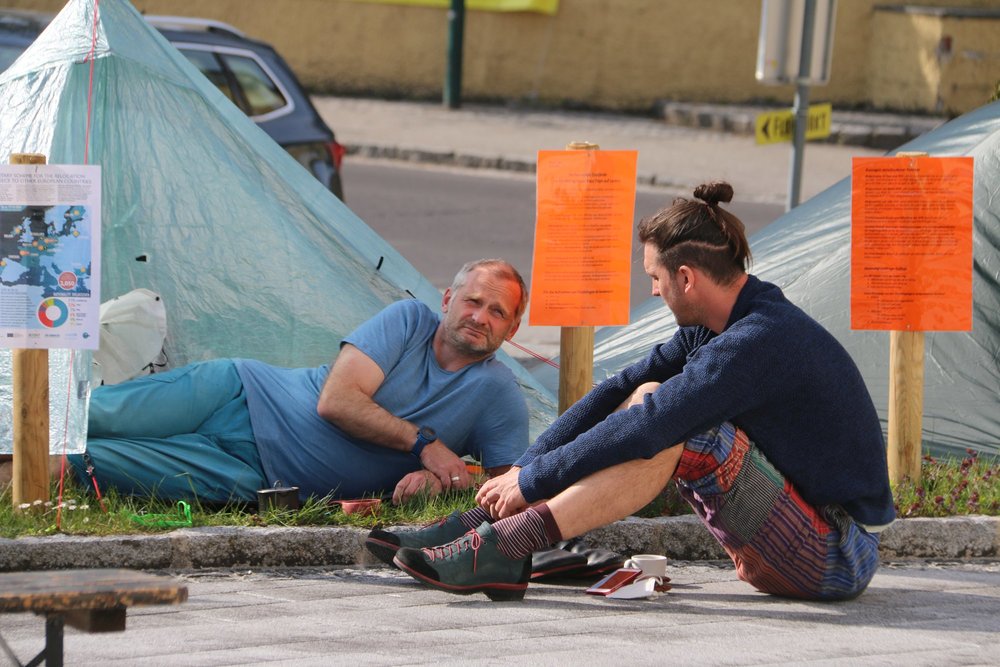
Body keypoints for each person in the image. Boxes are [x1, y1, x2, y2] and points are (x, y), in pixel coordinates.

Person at [371, 182, 895, 602]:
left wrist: (534, 481)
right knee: (646, 392)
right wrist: (522, 475)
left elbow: (652, 427)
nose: (652, 289)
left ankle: (508, 547)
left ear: (686, 278)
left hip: (837, 552)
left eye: (654, 277)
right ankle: (483, 528)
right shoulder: (718, 325)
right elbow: (619, 390)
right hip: (800, 533)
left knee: (685, 432)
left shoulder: (757, 340)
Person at [31, 259, 530, 506]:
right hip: (237, 393)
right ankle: (11, 421)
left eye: (497, 312)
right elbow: (337, 401)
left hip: (254, 476)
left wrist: (446, 480)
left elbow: (508, 487)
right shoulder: (408, 320)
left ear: (512, 329)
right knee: (81, 416)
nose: (480, 317)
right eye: (473, 301)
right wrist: (425, 444)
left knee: (70, 466)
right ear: (447, 300)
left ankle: (19, 480)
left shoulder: (497, 392)